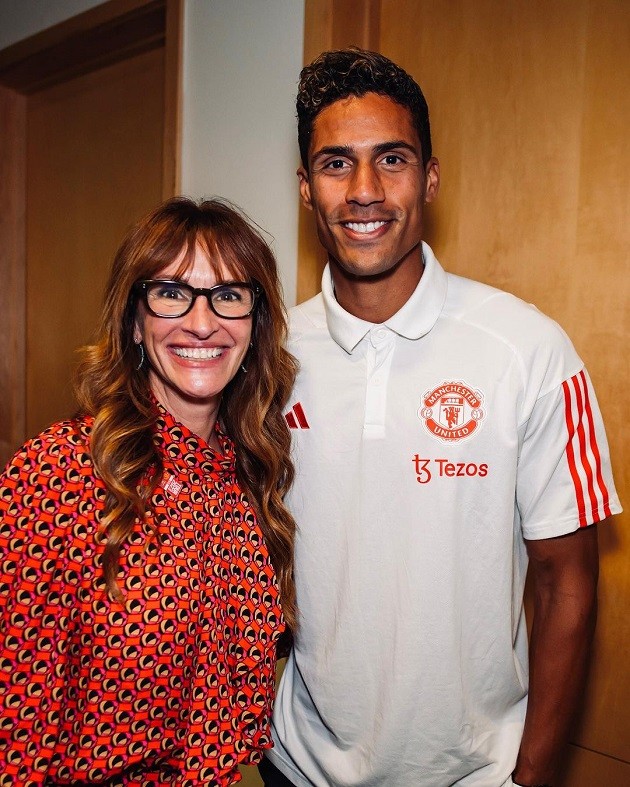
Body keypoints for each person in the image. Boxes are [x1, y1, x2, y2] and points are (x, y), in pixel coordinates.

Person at [261, 49, 622, 787]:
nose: (365, 191)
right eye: (336, 164)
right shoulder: (267, 355)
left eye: (390, 159)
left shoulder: (530, 349)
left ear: (430, 176)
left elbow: (568, 583)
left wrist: (531, 777)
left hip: (475, 775)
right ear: (305, 187)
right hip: (294, 765)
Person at [0, 197, 298, 786]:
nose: (202, 321)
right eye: (171, 293)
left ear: (254, 325)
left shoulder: (250, 475)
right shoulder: (60, 473)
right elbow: (16, 725)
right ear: (135, 319)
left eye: (230, 295)